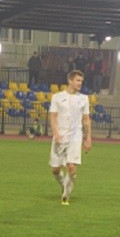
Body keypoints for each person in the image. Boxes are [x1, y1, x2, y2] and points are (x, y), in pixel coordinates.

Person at [48, 70, 91, 205]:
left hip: (75, 136)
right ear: (70, 81)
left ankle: (66, 195)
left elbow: (86, 120)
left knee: (71, 166)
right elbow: (53, 117)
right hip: (60, 135)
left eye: (81, 81)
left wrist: (88, 138)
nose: (80, 83)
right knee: (55, 169)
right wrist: (56, 134)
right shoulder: (57, 97)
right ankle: (64, 184)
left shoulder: (84, 98)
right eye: (78, 80)